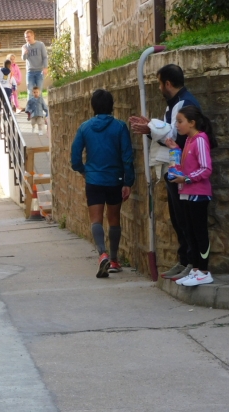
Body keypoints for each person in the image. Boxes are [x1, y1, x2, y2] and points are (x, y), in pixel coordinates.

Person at [129, 64, 201, 282]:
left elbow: (177, 137)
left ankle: (193, 263)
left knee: (187, 220)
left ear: (167, 84)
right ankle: (184, 259)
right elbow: (167, 133)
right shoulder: (173, 105)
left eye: (160, 83)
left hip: (185, 172)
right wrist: (151, 128)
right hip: (174, 169)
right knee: (177, 218)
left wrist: (151, 129)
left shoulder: (185, 105)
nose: (159, 87)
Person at [71, 89, 134, 278]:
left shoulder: (84, 128)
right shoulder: (120, 127)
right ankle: (114, 260)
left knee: (95, 220)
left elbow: (75, 157)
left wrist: (83, 170)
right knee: (114, 219)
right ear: (111, 106)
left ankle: (102, 254)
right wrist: (128, 181)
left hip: (93, 180)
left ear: (93, 107)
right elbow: (127, 157)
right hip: (115, 180)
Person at [164, 106, 216, 286]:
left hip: (198, 194)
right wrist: (174, 150)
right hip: (186, 193)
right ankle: (195, 269)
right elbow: (183, 164)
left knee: (199, 232)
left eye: (180, 121)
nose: (177, 125)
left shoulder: (200, 139)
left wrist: (186, 179)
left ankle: (204, 270)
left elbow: (206, 168)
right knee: (189, 232)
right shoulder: (188, 141)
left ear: (192, 123)